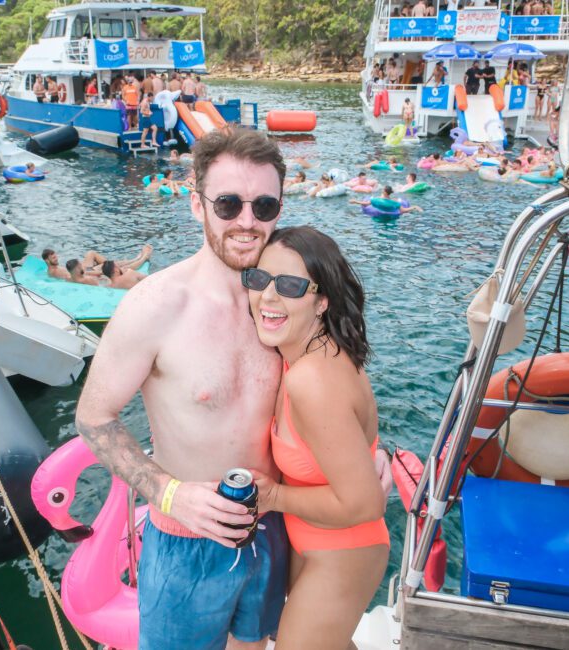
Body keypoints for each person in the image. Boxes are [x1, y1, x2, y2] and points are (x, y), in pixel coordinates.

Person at [74, 129, 392, 650]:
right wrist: (168, 493)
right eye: (228, 204)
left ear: (278, 209)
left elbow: (337, 391)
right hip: (186, 542)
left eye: (263, 205)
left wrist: (369, 453)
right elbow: (93, 417)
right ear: (197, 205)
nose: (247, 221)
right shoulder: (154, 307)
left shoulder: (279, 309)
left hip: (274, 530)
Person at [244, 225, 389, 650]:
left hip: (343, 552)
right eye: (259, 279)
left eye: (290, 286)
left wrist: (272, 498)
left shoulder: (312, 380)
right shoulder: (304, 353)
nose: (268, 297)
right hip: (313, 543)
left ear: (321, 301)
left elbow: (364, 503)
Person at [42, 245, 152, 280]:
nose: (56, 258)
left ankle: (132, 260)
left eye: (55, 255)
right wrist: (95, 273)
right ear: (47, 260)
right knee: (109, 266)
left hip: (83, 269)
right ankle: (141, 258)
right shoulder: (55, 272)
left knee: (90, 253)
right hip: (85, 272)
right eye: (53, 257)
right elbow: (77, 276)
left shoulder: (53, 269)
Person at [351, 185, 423, 213]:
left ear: (385, 192)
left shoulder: (375, 200)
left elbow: (366, 204)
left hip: (378, 212)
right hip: (391, 212)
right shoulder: (396, 203)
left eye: (383, 190)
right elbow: (404, 210)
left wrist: (355, 201)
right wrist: (414, 207)